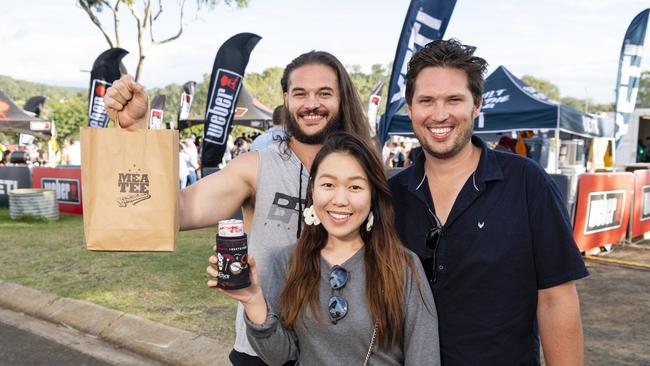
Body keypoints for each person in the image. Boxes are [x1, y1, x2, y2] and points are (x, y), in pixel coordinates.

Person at [103, 50, 371, 366]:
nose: (311, 103)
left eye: (324, 93)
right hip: (263, 349)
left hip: (339, 352)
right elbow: (170, 211)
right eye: (300, 93)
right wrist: (137, 134)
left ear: (342, 98)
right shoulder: (256, 167)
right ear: (286, 100)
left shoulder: (365, 169)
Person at [388, 39, 588, 365]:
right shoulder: (390, 195)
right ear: (410, 109)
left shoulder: (527, 182)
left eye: (454, 99)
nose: (440, 114)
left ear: (476, 105)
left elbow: (556, 299)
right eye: (426, 101)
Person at [211, 132, 440, 365]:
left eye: (355, 187)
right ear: (313, 190)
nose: (340, 199)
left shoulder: (402, 266)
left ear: (373, 195)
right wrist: (253, 301)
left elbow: (424, 356)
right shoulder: (288, 261)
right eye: (328, 184)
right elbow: (279, 356)